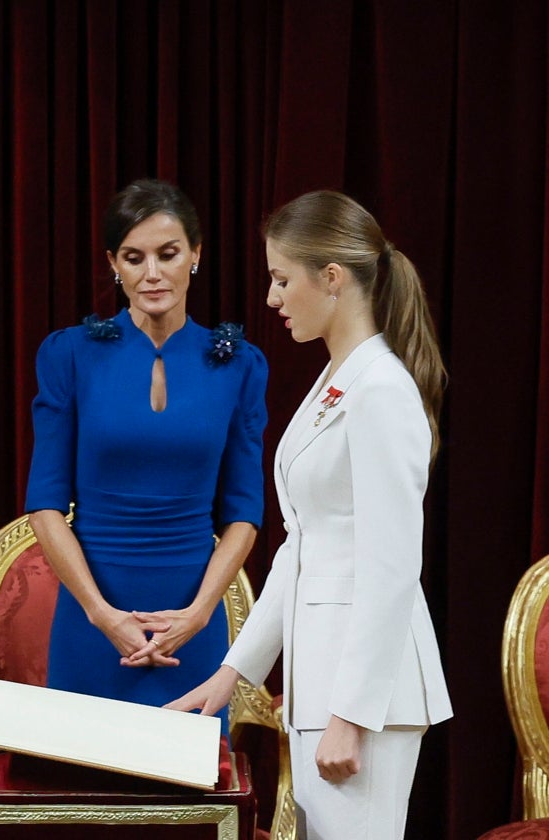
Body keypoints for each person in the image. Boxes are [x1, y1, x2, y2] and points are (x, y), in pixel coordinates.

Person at [167, 190, 453, 839]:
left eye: (281, 278)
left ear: (331, 278)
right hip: (322, 683)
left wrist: (350, 713)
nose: (271, 298)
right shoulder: (338, 380)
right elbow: (302, 547)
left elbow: (391, 563)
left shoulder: (381, 389)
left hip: (364, 697)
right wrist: (233, 672)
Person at [24, 179, 268, 727]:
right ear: (114, 264)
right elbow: (43, 504)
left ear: (196, 255)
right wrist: (101, 614)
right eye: (134, 258)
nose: (152, 273)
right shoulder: (69, 355)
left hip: (192, 630)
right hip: (93, 629)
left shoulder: (239, 365)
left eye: (168, 254)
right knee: (85, 801)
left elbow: (244, 512)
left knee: (194, 803)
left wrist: (200, 612)